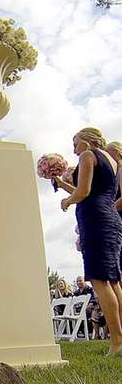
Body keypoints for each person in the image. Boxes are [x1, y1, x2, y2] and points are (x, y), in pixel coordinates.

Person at [55, 127, 122, 355]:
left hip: (95, 220)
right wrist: (63, 184)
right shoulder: (112, 161)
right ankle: (120, 337)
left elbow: (83, 192)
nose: (74, 151)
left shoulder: (87, 155)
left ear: (86, 140)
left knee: (99, 281)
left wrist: (66, 201)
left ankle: (116, 340)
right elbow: (93, 191)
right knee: (113, 281)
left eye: (75, 144)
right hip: (111, 219)